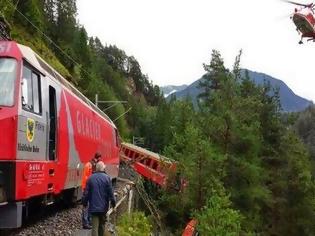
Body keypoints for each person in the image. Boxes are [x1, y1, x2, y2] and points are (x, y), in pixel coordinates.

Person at [82, 161, 116, 236]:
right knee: (102, 226)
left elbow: (86, 193)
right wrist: (114, 204)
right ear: (103, 168)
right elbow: (111, 193)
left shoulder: (90, 178)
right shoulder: (107, 178)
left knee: (94, 227)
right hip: (104, 208)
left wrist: (84, 203)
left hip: (94, 207)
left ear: (96, 168)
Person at [81, 152, 102, 229]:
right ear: (98, 158)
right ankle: (85, 223)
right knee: (86, 206)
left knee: (89, 205)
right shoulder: (90, 165)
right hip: (87, 188)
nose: (100, 160)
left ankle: (88, 221)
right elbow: (87, 178)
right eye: (100, 158)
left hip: (88, 188)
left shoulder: (91, 165)